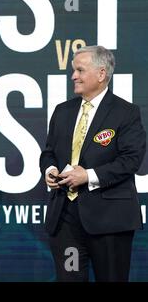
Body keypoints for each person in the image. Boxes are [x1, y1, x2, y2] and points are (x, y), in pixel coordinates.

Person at [39, 45, 146, 281]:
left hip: (110, 221)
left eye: (80, 70)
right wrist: (50, 169)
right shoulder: (62, 111)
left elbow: (131, 160)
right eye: (73, 70)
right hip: (65, 219)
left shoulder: (125, 113)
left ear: (101, 74)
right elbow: (48, 153)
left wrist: (88, 175)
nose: (73, 76)